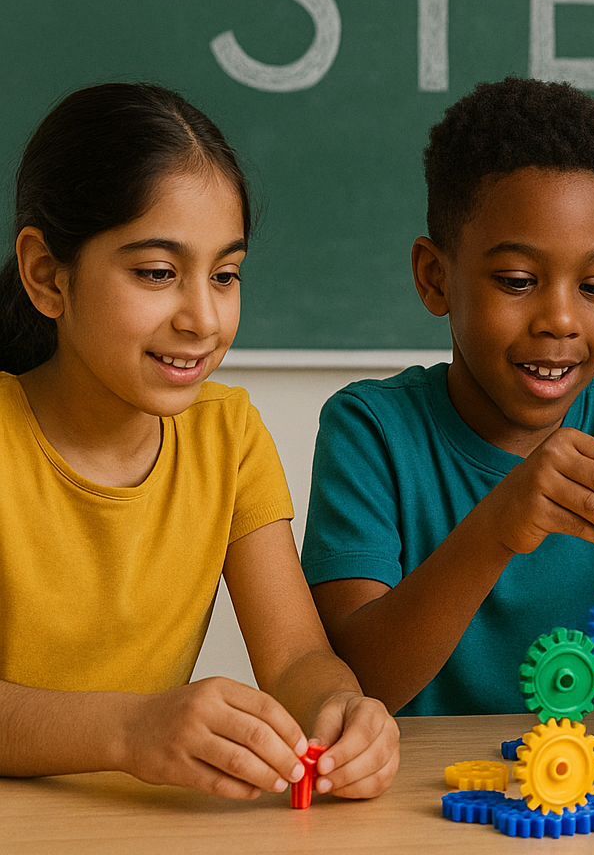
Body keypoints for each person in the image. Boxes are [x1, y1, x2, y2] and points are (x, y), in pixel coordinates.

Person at [301, 76, 594, 720]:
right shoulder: (370, 430)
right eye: (518, 281)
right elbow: (352, 686)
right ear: (436, 279)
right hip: (417, 809)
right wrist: (499, 524)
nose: (562, 320)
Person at [0, 83, 398, 799]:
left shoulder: (229, 436)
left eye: (225, 275)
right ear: (44, 275)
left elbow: (298, 657)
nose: (203, 318)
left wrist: (341, 709)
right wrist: (129, 732)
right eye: (157, 273)